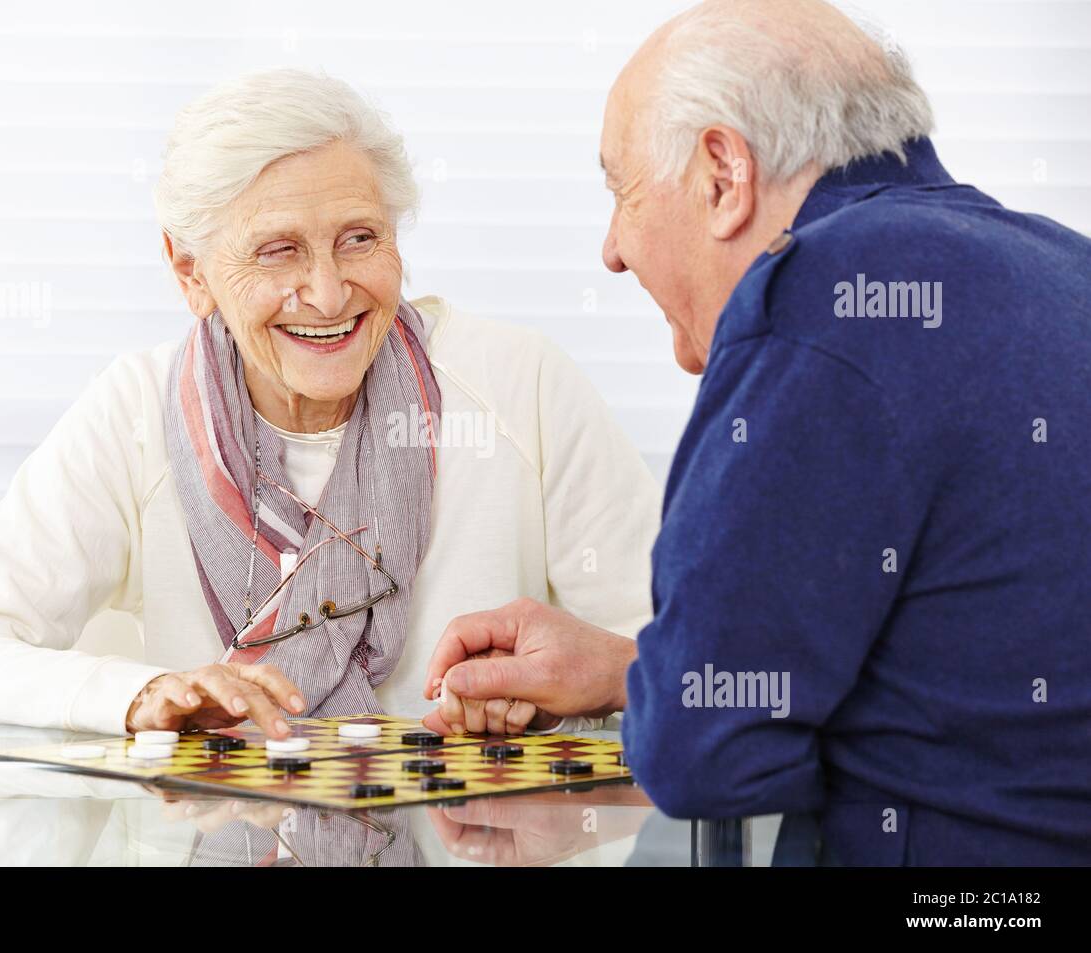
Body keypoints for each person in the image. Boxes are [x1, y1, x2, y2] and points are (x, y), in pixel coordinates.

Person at [422, 0, 1091, 865]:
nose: (611, 251)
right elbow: (955, 671)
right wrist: (637, 673)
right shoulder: (1061, 261)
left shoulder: (818, 300)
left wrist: (674, 702)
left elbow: (705, 758)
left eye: (621, 191)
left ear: (722, 174)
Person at [0, 70, 661, 740]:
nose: (327, 293)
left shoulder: (520, 386)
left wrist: (562, 702)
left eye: (359, 238)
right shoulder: (132, 414)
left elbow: (682, 658)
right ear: (189, 271)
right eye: (278, 250)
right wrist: (136, 695)